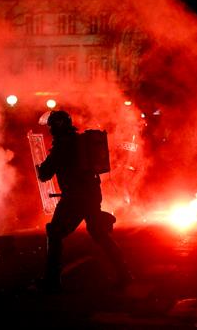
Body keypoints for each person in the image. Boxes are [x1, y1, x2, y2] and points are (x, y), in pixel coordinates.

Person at [37, 110, 132, 292]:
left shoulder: (62, 146)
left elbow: (45, 173)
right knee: (98, 232)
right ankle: (124, 273)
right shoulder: (79, 141)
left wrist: (41, 169)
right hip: (91, 194)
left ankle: (52, 282)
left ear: (57, 126)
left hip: (74, 198)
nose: (50, 130)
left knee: (55, 233)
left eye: (51, 126)